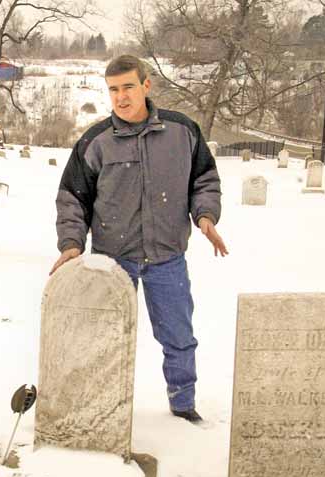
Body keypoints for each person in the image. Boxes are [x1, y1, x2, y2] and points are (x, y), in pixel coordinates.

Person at [50, 55, 228, 423]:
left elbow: (204, 180)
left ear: (146, 86)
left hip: (167, 258)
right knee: (105, 338)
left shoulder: (182, 132)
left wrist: (205, 215)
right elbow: (72, 197)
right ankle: (102, 407)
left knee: (178, 337)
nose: (121, 97)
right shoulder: (96, 141)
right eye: (113, 90)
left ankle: (182, 406)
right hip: (113, 262)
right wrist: (71, 244)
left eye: (128, 87)